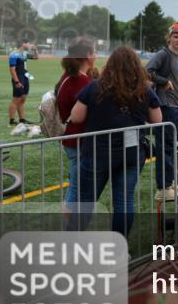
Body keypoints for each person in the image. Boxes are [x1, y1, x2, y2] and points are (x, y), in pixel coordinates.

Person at [69, 46, 162, 236]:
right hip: (131, 151)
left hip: (98, 151)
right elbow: (157, 119)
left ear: (110, 64)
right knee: (124, 201)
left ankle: (72, 242)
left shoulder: (95, 86)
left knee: (86, 200)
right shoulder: (144, 89)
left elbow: (76, 117)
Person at [145, 23, 178, 202]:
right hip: (166, 106)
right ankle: (163, 187)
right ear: (169, 37)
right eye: (175, 36)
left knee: (176, 147)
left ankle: (171, 182)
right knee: (165, 148)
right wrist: (163, 81)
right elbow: (147, 71)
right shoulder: (163, 54)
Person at [56, 37, 98, 206]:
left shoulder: (68, 76)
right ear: (87, 56)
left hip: (72, 138)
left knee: (75, 183)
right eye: (94, 52)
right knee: (78, 187)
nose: (96, 56)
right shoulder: (83, 82)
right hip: (79, 140)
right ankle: (70, 218)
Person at [8, 39, 32, 126]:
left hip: (25, 77)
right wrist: (16, 82)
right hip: (18, 78)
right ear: (23, 44)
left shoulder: (24, 53)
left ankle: (22, 120)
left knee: (22, 99)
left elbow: (36, 57)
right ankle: (11, 121)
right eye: (28, 43)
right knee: (16, 99)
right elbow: (12, 69)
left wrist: (35, 50)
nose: (30, 45)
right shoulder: (14, 54)